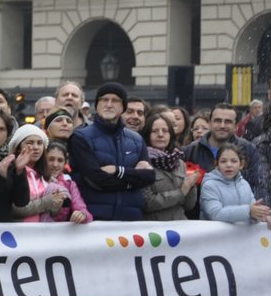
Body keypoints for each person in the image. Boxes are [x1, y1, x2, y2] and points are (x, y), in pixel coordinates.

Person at [68, 82, 155, 221]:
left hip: (131, 220)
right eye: (104, 99)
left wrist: (118, 171)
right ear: (96, 105)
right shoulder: (80, 138)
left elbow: (149, 177)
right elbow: (98, 180)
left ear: (123, 107)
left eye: (115, 100)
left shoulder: (137, 140)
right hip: (95, 220)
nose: (109, 104)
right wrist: (134, 180)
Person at [185, 103, 266, 200]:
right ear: (210, 123)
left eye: (227, 122)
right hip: (197, 214)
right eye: (218, 121)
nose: (222, 125)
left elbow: (259, 186)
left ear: (235, 125)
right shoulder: (190, 151)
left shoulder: (249, 150)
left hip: (240, 213)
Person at [141, 110, 199, 222]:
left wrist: (191, 186)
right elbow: (147, 203)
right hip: (155, 230)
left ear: (171, 135)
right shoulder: (142, 162)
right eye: (155, 131)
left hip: (180, 226)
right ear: (147, 135)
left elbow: (189, 206)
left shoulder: (179, 162)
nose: (161, 134)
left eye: (165, 131)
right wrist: (181, 192)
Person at [201, 143, 271, 228]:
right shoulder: (209, 185)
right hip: (217, 239)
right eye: (223, 161)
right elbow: (215, 214)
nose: (229, 165)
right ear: (217, 165)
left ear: (241, 165)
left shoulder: (244, 184)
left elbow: (253, 209)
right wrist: (248, 211)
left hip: (242, 239)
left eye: (233, 161)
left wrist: (263, 216)